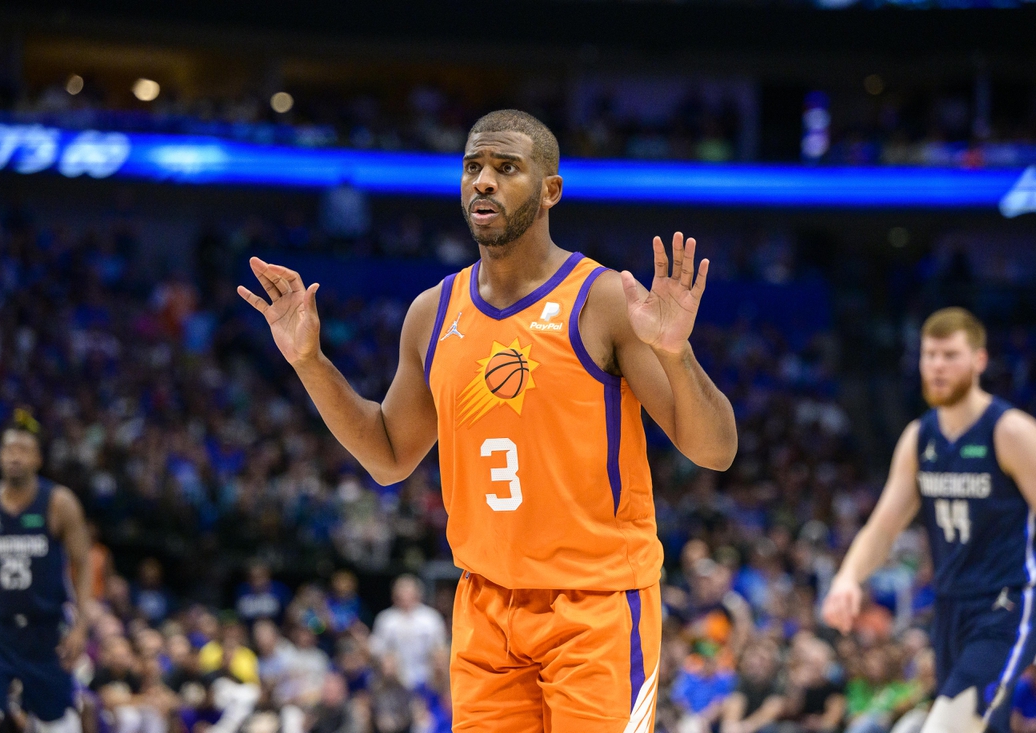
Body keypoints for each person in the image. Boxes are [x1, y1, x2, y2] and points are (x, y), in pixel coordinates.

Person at [239, 108, 738, 730]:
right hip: (484, 608)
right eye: (473, 167)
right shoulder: (432, 312)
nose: (483, 182)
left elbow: (715, 450)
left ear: (550, 190)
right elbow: (389, 456)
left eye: (506, 168)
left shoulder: (604, 299)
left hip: (596, 608)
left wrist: (675, 350)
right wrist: (310, 361)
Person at [822, 307, 1036, 733]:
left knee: (945, 727)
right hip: (950, 606)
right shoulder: (919, 438)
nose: (937, 366)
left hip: (1007, 605)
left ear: (978, 360)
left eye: (950, 355)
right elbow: (883, 526)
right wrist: (848, 576)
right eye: (930, 355)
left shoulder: (1010, 432)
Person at [0, 411, 92, 733]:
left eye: (23, 450)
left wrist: (82, 624)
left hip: (45, 632)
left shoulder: (59, 503)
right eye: (8, 450)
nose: (14, 456)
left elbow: (83, 564)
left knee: (55, 724)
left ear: (38, 459)